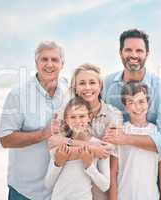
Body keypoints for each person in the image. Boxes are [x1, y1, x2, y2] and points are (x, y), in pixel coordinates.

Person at [0, 41, 68, 199]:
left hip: (59, 191)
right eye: (44, 59)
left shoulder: (69, 90)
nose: (49, 64)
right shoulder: (18, 95)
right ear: (36, 62)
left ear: (62, 64)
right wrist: (43, 134)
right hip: (25, 191)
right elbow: (5, 139)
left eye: (55, 60)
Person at [48, 63, 123, 200]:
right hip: (68, 190)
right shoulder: (64, 113)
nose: (87, 87)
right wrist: (92, 147)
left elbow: (106, 149)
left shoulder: (113, 114)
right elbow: (53, 142)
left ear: (100, 86)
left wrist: (68, 143)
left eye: (92, 83)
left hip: (99, 189)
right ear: (75, 88)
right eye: (82, 83)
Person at [102, 28, 161, 154]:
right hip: (111, 165)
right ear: (120, 53)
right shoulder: (106, 83)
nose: (134, 55)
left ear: (147, 54)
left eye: (139, 51)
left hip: (147, 166)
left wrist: (126, 139)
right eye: (128, 50)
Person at [109, 81, 161, 200]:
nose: (137, 107)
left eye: (141, 102)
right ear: (126, 107)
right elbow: (113, 172)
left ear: (148, 104)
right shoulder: (120, 132)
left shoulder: (156, 133)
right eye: (131, 102)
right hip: (124, 196)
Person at [44, 97, 110, 200]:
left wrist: (89, 166)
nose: (77, 121)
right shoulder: (59, 144)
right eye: (73, 117)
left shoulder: (99, 146)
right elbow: (48, 184)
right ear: (66, 119)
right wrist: (58, 164)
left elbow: (105, 186)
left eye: (82, 116)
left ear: (89, 117)